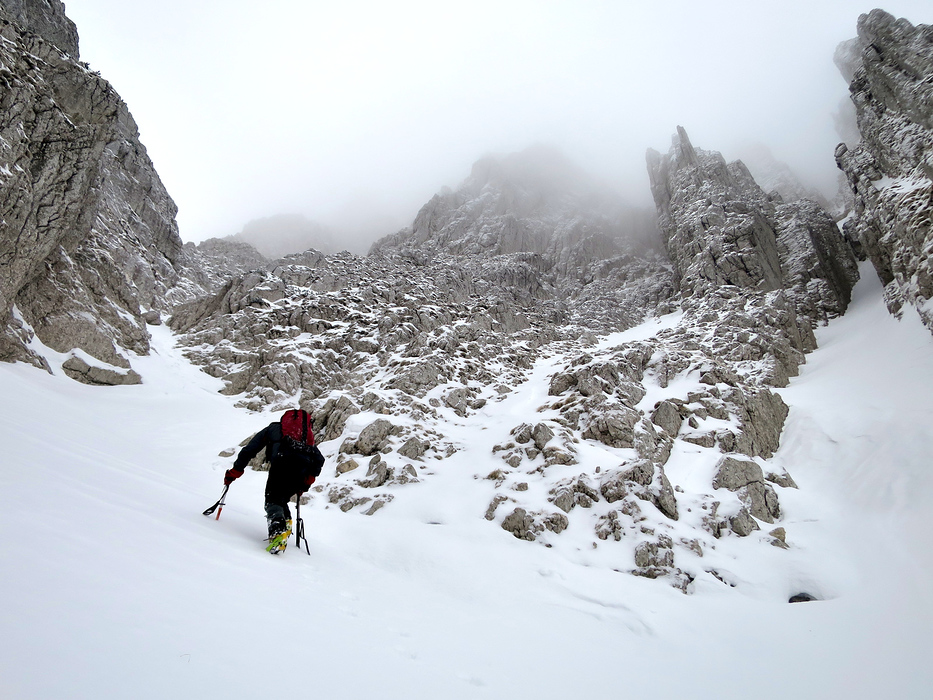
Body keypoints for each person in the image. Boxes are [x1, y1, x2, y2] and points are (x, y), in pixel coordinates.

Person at [224, 409, 324, 553]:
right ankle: (286, 522)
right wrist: (306, 483)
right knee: (280, 498)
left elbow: (250, 450)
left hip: (281, 462)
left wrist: (235, 471)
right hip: (301, 470)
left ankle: (278, 533)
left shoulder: (274, 429)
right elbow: (319, 460)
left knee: (273, 500)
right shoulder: (306, 439)